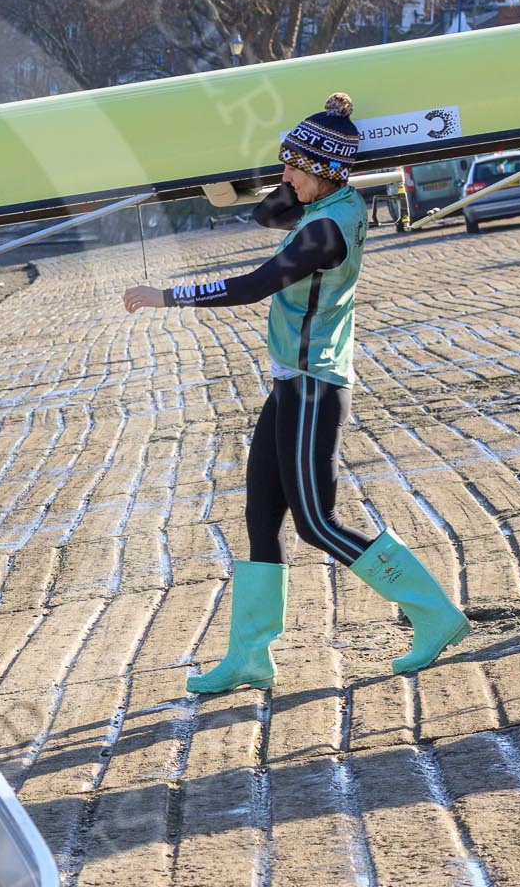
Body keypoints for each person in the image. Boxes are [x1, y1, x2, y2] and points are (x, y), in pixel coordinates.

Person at [123, 92, 468, 689]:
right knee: (261, 514)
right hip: (291, 386)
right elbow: (268, 213)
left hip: (315, 385)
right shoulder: (330, 202)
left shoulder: (327, 230)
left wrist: (166, 297)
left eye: (294, 167)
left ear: (326, 171)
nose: (284, 177)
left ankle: (434, 614)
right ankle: (250, 655)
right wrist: (298, 155)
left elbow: (255, 286)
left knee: (315, 521)